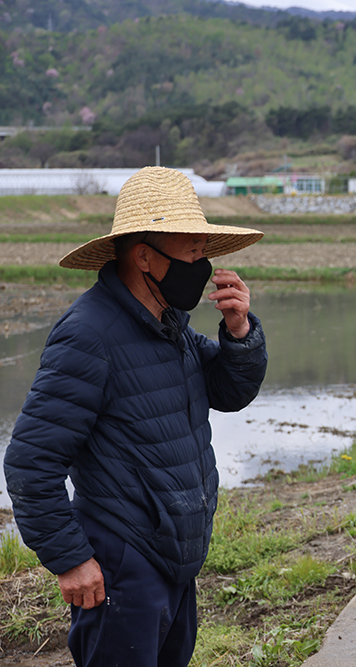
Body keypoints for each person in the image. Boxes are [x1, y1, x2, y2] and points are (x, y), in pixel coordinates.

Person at [4, 167, 268, 667]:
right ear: (144, 255)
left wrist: (238, 333)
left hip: (174, 557)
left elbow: (227, 392)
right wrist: (72, 559)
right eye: (191, 253)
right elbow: (29, 462)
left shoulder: (170, 326)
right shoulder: (90, 335)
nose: (203, 266)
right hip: (123, 561)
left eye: (203, 252)